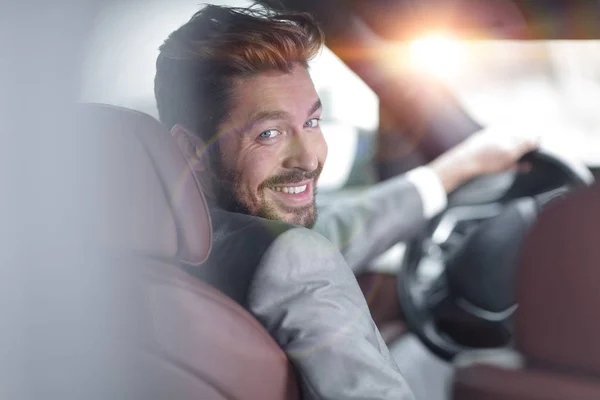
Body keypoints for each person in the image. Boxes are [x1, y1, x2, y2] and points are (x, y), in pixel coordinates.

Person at [154, 5, 537, 399]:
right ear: (191, 150)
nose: (308, 158)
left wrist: (453, 170)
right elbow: (297, 257)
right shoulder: (291, 258)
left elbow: (321, 237)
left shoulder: (156, 242)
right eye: (269, 133)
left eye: (312, 122)